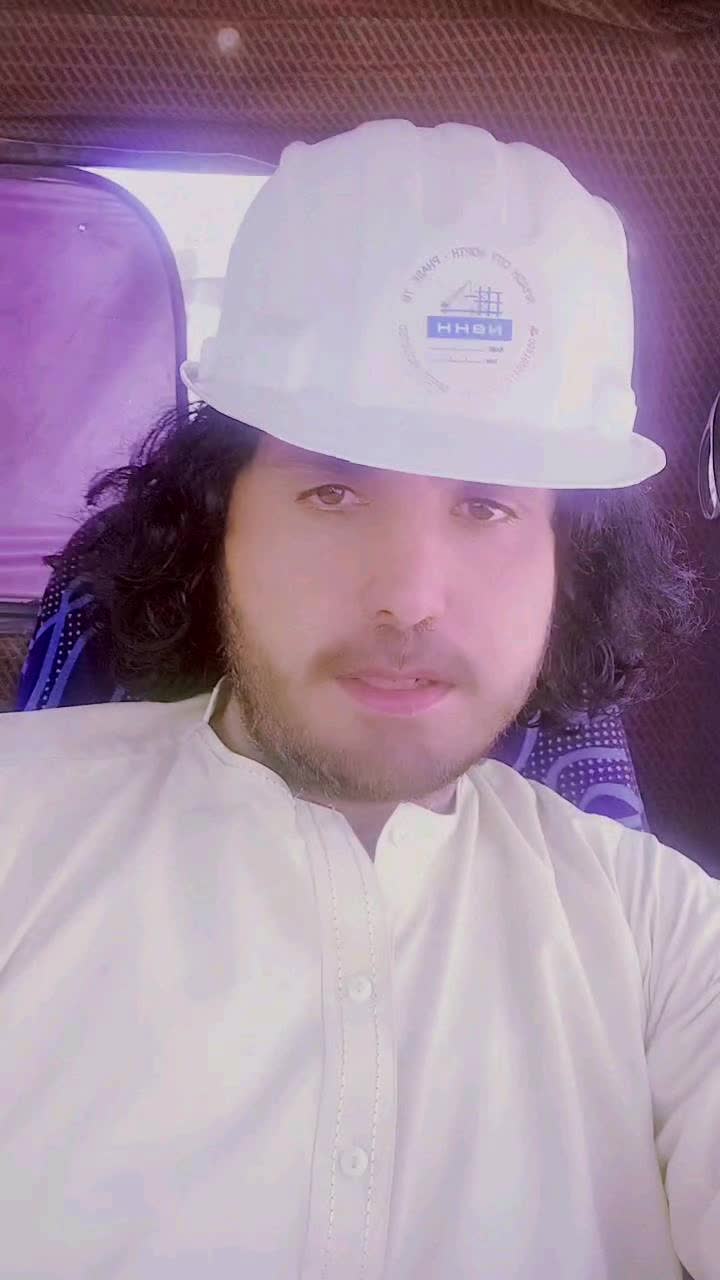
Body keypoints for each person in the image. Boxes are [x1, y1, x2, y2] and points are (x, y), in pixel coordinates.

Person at [0, 119, 717, 1280]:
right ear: (216, 519)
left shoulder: (662, 939)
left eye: (487, 505)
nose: (409, 596)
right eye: (333, 491)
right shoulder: (19, 824)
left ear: (568, 565)